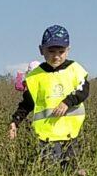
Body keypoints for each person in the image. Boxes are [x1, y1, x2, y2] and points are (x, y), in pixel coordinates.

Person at [8, 24, 90, 168]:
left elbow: (83, 91)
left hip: (72, 133)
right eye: (51, 51)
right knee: (50, 171)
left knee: (73, 170)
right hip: (47, 136)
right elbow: (27, 103)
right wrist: (16, 121)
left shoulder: (75, 70)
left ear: (68, 50)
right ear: (41, 50)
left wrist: (67, 102)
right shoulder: (35, 76)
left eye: (61, 51)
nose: (56, 55)